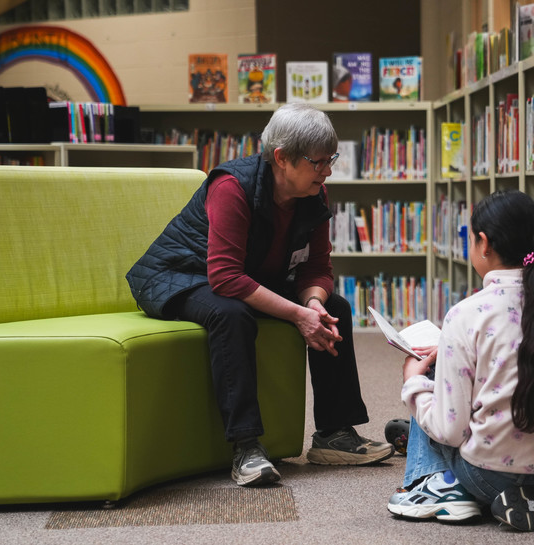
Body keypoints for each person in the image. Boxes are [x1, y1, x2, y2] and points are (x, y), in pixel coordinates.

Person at [126, 103, 394, 488]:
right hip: (180, 276)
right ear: (282, 158)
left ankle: (334, 434)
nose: (328, 170)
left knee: (335, 307)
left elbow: (316, 268)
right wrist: (296, 315)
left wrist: (313, 304)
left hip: (244, 275)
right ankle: (246, 446)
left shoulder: (314, 194)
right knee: (232, 314)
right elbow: (225, 277)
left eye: (329, 160)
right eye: (318, 162)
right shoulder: (231, 187)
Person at [387, 190, 534, 532]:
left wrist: (414, 382)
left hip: (489, 474)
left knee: (431, 377)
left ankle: (440, 488)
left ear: (484, 243)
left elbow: (447, 430)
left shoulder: (466, 314)